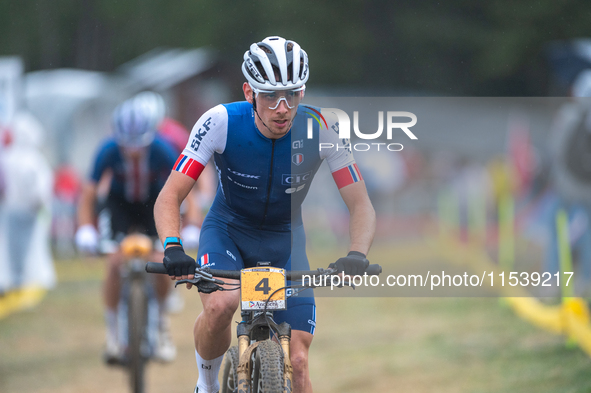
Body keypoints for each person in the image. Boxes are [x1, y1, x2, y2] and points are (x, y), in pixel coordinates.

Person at [154, 36, 376, 393]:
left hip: (285, 241)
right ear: (248, 92)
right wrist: (172, 246)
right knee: (221, 305)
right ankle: (206, 384)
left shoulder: (323, 128)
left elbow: (360, 203)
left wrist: (357, 253)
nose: (283, 107)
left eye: (292, 93)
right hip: (228, 231)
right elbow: (170, 195)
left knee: (300, 362)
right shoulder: (220, 122)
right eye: (270, 95)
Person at [75, 93, 192, 363]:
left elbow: (185, 191)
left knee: (159, 263)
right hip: (119, 206)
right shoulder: (107, 149)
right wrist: (85, 228)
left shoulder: (162, 148)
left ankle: (162, 325)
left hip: (153, 204)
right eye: (127, 145)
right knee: (115, 262)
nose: (134, 151)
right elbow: (89, 193)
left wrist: (192, 225)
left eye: (139, 144)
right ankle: (114, 334)